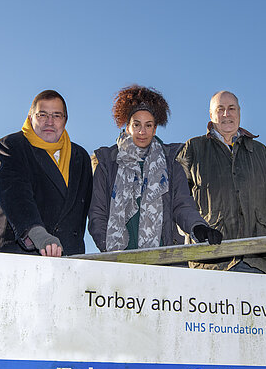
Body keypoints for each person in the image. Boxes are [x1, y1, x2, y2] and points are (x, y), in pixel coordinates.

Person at [88, 85, 222, 252]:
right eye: (136, 125)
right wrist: (109, 252)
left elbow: (182, 205)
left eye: (148, 125)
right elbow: (97, 214)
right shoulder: (107, 163)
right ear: (127, 126)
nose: (142, 131)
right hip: (119, 262)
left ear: (155, 128)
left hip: (163, 261)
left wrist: (198, 227)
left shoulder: (171, 163)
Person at [177, 91, 266, 273]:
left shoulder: (261, 152)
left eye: (231, 109)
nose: (226, 114)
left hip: (255, 258)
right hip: (210, 259)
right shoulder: (193, 148)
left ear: (239, 112)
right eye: (220, 109)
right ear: (211, 114)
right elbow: (180, 200)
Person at [0, 90, 92, 256]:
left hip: (68, 257)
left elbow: (87, 209)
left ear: (65, 120)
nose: (49, 122)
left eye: (57, 115)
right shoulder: (12, 146)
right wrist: (38, 234)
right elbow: (16, 194)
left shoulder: (81, 156)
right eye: (42, 115)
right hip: (19, 255)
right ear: (30, 117)